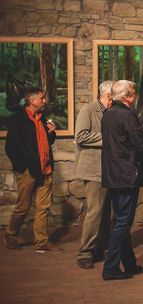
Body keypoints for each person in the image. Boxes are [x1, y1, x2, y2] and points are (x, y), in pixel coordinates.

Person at [4, 87, 64, 253]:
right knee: (23, 207)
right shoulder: (18, 120)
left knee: (43, 207)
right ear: (32, 101)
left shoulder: (42, 117)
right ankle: (10, 235)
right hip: (28, 171)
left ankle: (42, 242)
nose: (44, 101)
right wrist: (23, 167)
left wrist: (51, 133)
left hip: (46, 169)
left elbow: (44, 142)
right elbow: (11, 148)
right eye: (41, 98)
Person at [101, 80, 143, 280]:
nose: (135, 96)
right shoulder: (127, 115)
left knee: (122, 220)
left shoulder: (108, 114)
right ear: (128, 96)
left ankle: (129, 263)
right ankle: (110, 268)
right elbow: (139, 145)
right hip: (127, 174)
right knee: (122, 222)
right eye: (134, 92)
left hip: (113, 173)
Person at [74, 80, 114, 269]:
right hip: (93, 170)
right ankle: (85, 253)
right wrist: (108, 137)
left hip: (106, 170)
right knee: (95, 211)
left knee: (105, 212)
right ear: (108, 96)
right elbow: (81, 136)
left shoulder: (109, 112)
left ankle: (100, 249)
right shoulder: (88, 110)